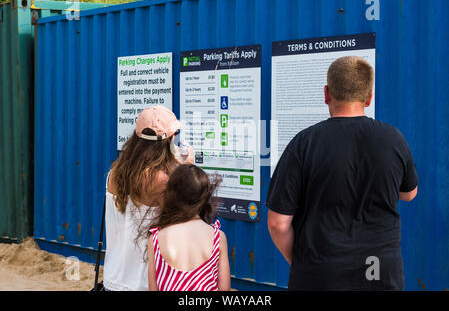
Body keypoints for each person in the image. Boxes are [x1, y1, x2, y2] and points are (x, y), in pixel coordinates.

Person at [267, 56, 418, 291]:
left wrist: (302, 263)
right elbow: (409, 194)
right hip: (379, 272)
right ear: (368, 97)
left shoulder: (304, 143)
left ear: (326, 94)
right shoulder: (393, 139)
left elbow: (278, 223)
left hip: (319, 274)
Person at [103, 105, 193, 291]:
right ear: (167, 141)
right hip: (143, 284)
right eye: (174, 135)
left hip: (112, 280)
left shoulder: (115, 172)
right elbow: (187, 217)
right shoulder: (162, 180)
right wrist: (187, 169)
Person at [147, 164, 231, 291]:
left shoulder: (156, 239)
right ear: (204, 197)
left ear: (171, 195)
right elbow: (224, 289)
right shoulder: (218, 237)